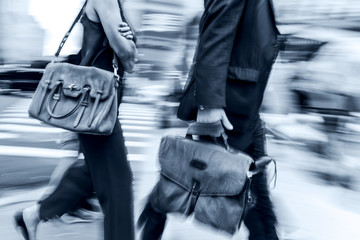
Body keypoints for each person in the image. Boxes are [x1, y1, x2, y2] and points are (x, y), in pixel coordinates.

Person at [138, 0, 280, 240]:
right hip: (229, 102)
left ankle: (153, 218)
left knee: (241, 181)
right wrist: (210, 103)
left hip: (244, 103)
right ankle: (153, 217)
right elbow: (215, 35)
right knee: (217, 175)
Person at [14, 0, 137, 239]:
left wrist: (128, 43)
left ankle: (34, 214)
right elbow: (127, 57)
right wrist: (130, 43)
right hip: (95, 108)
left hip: (96, 106)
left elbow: (123, 56)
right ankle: (36, 214)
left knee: (92, 175)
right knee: (118, 186)